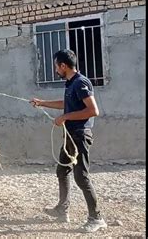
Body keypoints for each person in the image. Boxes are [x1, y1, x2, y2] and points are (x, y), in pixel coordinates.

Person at [30, 49, 107, 233]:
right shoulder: (70, 84)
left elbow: (93, 110)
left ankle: (97, 218)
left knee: (81, 176)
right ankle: (62, 210)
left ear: (63, 66)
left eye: (57, 66)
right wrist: (42, 102)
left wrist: (64, 118)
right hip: (71, 135)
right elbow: (67, 104)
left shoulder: (80, 83)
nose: (56, 69)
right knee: (62, 170)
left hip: (80, 135)